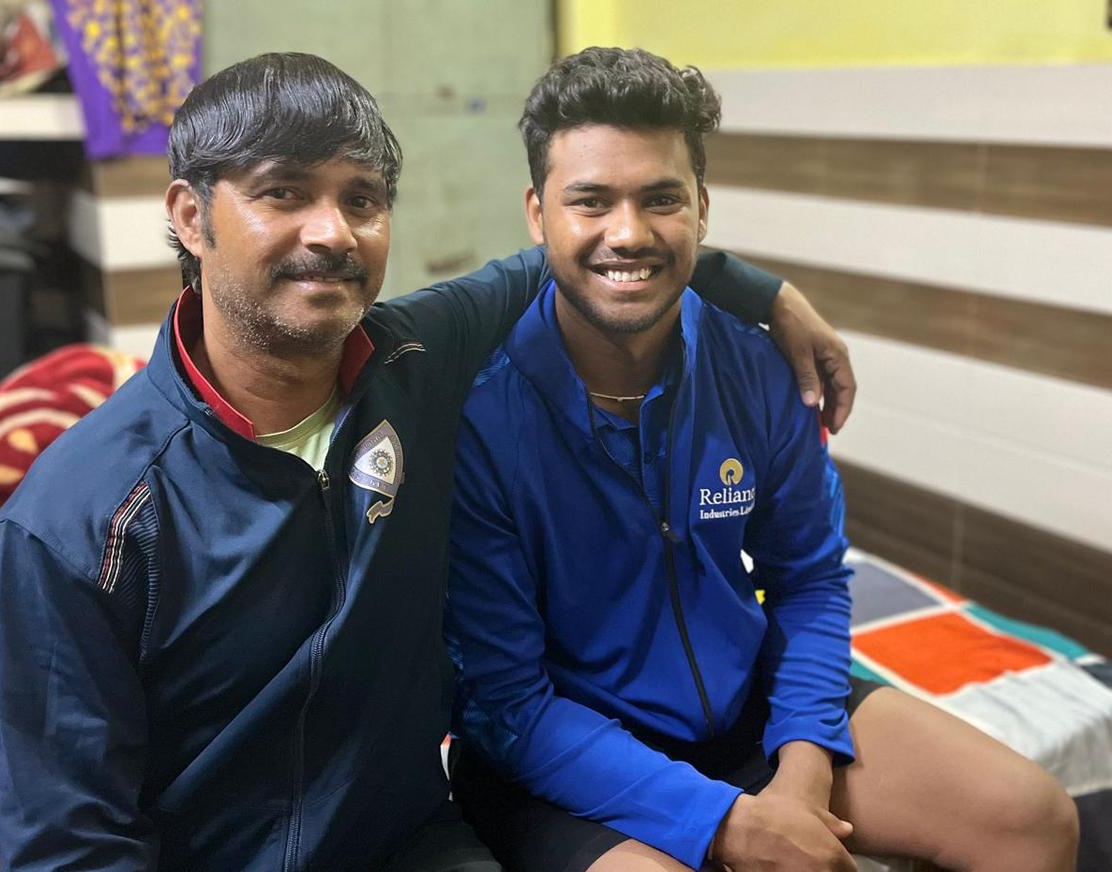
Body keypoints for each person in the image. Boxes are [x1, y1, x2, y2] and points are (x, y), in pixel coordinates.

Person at [0, 53, 851, 872]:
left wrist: (768, 296)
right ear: (191, 217)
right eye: (282, 193)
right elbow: (71, 850)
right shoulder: (73, 529)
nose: (333, 232)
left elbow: (602, 252)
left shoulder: (414, 363)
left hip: (413, 842)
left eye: (361, 199)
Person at [445, 47, 1079, 872]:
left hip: (747, 709)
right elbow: (507, 702)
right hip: (562, 754)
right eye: (591, 201)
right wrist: (728, 824)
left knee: (1032, 818)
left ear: (702, 209)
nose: (628, 233)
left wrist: (802, 775)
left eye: (661, 198)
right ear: (538, 216)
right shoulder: (477, 410)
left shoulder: (757, 364)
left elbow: (809, 579)